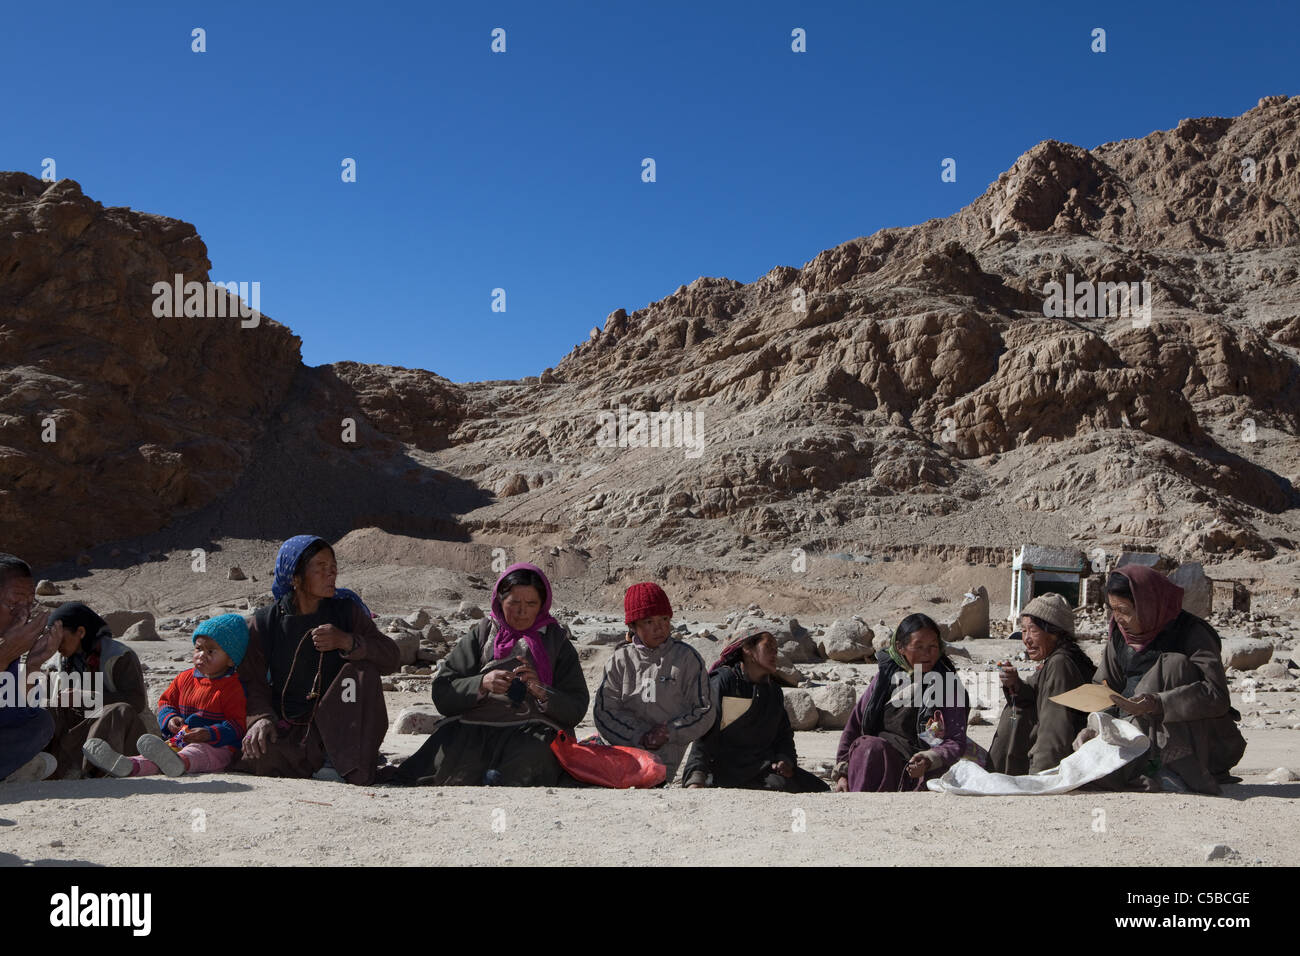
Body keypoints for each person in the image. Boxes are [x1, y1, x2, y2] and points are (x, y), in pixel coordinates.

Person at [395, 562, 589, 787]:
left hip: (534, 728)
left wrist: (540, 690)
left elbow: (576, 706)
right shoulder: (483, 634)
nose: (522, 611)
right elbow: (443, 690)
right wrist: (481, 683)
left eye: (531, 603)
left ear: (542, 605)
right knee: (446, 759)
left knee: (530, 759)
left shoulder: (557, 641)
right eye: (514, 602)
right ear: (499, 600)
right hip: (476, 726)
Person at [235, 535, 399, 785]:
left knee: (362, 671)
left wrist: (348, 641)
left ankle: (337, 760)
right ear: (295, 577)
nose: (330, 574)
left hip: (342, 727)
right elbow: (251, 679)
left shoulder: (346, 612)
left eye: (333, 568)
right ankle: (321, 763)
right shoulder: (265, 622)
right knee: (257, 753)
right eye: (321, 568)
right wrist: (260, 719)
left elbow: (391, 657)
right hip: (291, 724)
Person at [1078, 566, 1246, 794]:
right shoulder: (1119, 635)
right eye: (1113, 609)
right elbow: (1105, 688)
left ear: (1146, 604)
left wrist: (1157, 703)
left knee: (1172, 665)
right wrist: (1097, 726)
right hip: (1133, 730)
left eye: (1124, 610)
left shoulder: (1191, 632)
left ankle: (1177, 769)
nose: (1118, 618)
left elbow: (1216, 696)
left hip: (1198, 742)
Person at [84, 614, 248, 778]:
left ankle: (179, 763)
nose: (201, 655)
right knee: (159, 754)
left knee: (197, 752)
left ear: (231, 660)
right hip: (181, 739)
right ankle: (129, 766)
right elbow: (166, 703)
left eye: (211, 651)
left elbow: (236, 725)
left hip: (217, 746)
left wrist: (209, 733)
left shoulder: (233, 688)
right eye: (198, 649)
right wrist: (170, 719)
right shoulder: (184, 678)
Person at [832, 613, 972, 792]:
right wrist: (843, 773)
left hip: (918, 770)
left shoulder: (947, 685)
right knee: (869, 747)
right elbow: (854, 727)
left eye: (933, 646)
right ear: (900, 647)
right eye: (919, 646)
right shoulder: (884, 680)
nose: (927, 654)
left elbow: (955, 740)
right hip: (876, 760)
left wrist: (928, 759)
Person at [682, 623, 828, 792]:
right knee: (779, 786)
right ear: (748, 650)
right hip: (728, 768)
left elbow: (783, 735)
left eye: (776, 648)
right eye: (769, 647)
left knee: (820, 788)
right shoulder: (723, 682)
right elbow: (705, 732)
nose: (775, 653)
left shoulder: (773, 691)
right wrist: (696, 777)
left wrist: (784, 759)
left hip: (763, 765)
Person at [592, 582, 714, 783]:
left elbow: (705, 709)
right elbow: (604, 713)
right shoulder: (619, 661)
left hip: (667, 758)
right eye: (649, 622)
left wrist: (669, 732)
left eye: (664, 619)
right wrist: (639, 736)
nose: (660, 627)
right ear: (633, 626)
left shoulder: (686, 659)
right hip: (625, 753)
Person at [22, 602, 157, 779]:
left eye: (61, 639)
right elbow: (36, 698)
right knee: (45, 710)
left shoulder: (119, 656)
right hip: (78, 727)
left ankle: (98, 768)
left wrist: (88, 698)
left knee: (118, 710)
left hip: (118, 728)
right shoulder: (55, 662)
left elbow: (136, 701)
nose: (56, 646)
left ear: (81, 632)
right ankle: (50, 766)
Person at [988, 593, 1096, 775]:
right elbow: (1032, 693)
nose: (1026, 639)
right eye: (1023, 631)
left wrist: (1042, 775)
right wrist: (1015, 684)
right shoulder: (1053, 662)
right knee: (1016, 708)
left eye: (1033, 630)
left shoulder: (1060, 664)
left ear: (1054, 633)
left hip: (1063, 759)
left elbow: (1055, 725)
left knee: (1018, 712)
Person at [0, 554, 56, 783]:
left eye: (30, 603)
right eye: (14, 603)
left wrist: (33, 664)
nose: (24, 613)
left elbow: (14, 715)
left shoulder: (7, 644)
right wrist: (3, 657)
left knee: (40, 723)